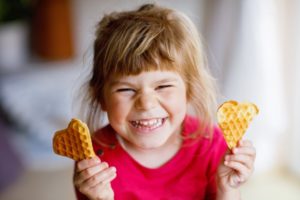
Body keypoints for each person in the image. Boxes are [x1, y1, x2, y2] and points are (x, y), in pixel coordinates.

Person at [73, 4, 256, 200]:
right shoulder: (93, 158)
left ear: (190, 90)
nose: (146, 103)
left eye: (162, 87)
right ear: (101, 97)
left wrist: (228, 189)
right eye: (126, 89)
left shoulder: (213, 146)